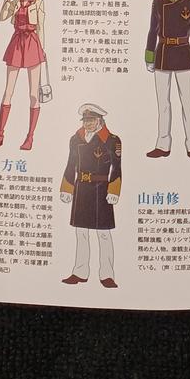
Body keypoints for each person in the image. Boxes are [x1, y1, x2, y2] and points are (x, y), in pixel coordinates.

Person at [60, 103, 122, 289]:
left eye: (91, 120)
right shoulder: (75, 139)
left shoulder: (112, 140)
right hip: (82, 189)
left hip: (101, 190)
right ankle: (80, 272)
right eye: (85, 120)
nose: (87, 123)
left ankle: (107, 275)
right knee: (81, 233)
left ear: (100, 120)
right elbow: (71, 164)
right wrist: (67, 188)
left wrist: (114, 190)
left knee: (103, 234)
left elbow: (117, 168)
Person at [145, 0, 190, 159]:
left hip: (184, 53)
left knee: (188, 103)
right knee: (163, 104)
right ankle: (163, 145)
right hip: (162, 53)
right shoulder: (158, 2)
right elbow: (152, 29)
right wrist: (149, 56)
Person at [0, 0, 47, 151]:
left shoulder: (39, 3)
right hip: (17, 42)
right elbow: (2, 17)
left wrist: (42, 50)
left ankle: (30, 137)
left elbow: (41, 27)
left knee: (33, 94)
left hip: (32, 43)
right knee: (8, 91)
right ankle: (0, 135)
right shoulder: (15, 1)